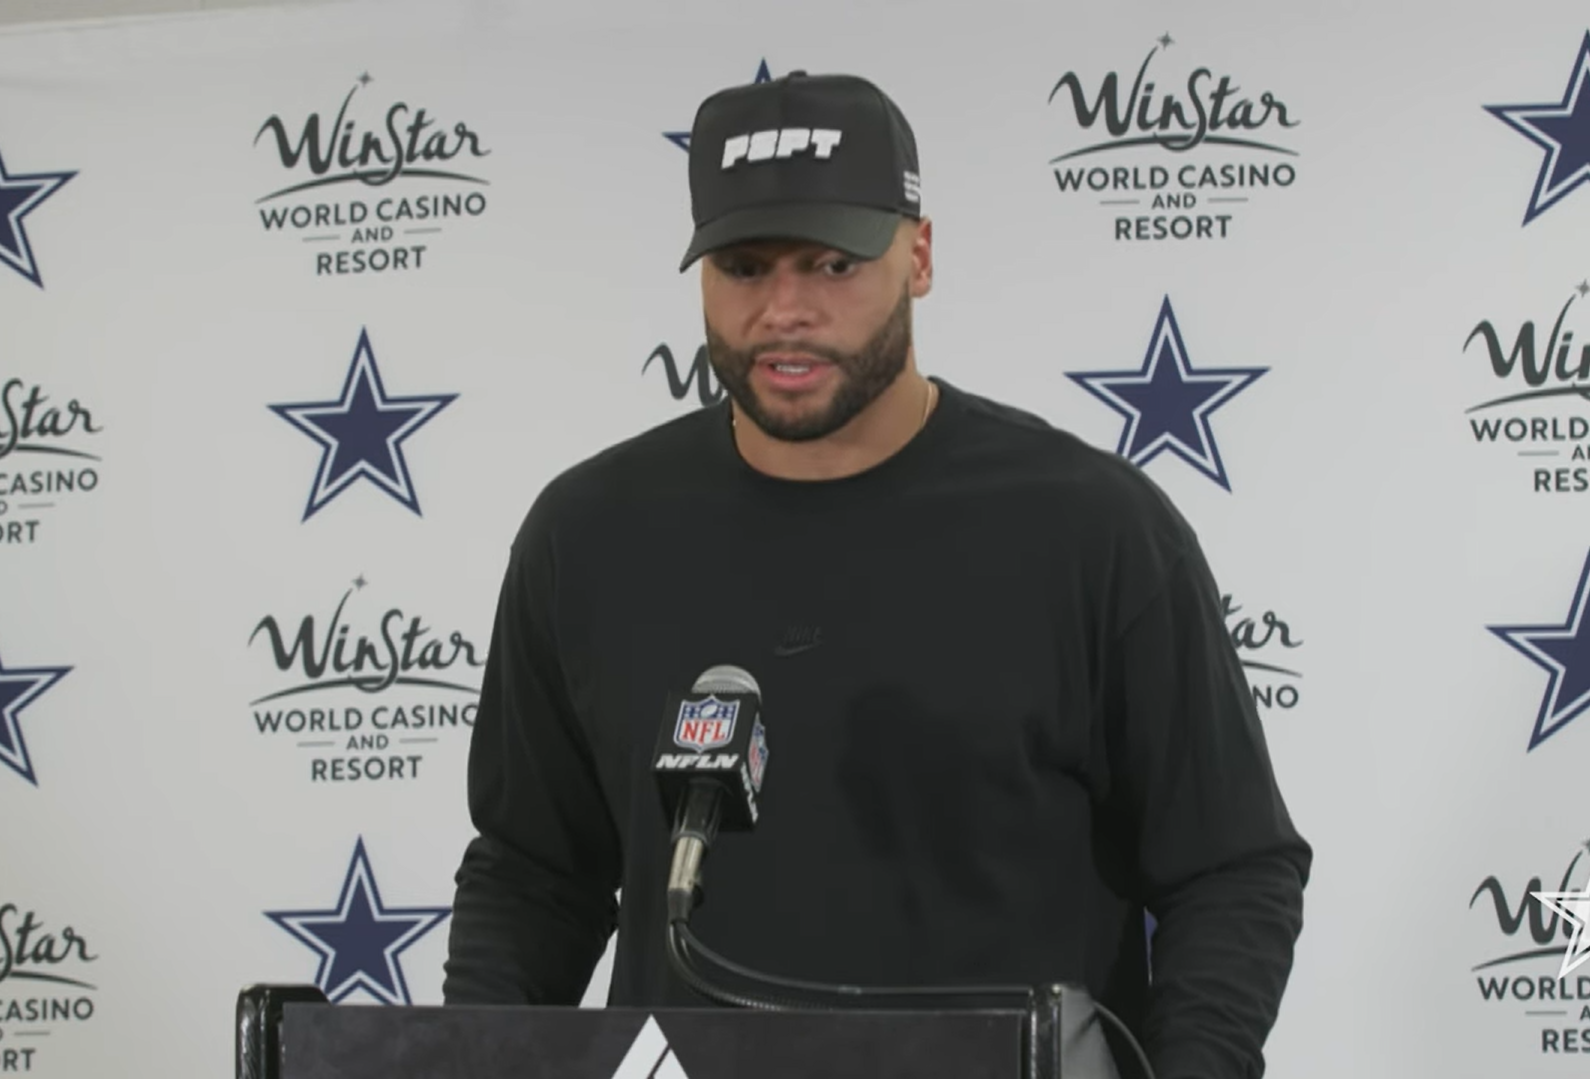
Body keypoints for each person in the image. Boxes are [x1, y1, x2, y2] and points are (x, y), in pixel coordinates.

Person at [443, 70, 1312, 1079]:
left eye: (830, 261)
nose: (784, 309)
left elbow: (1230, 866)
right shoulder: (585, 534)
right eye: (743, 265)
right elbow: (532, 872)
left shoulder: (1093, 527)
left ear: (919, 254)